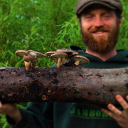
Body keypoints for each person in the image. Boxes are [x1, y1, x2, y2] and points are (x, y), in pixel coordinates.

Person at [0, 0, 128, 127]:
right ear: (80, 24)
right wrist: (14, 113)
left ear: (119, 21)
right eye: (89, 17)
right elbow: (41, 123)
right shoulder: (57, 71)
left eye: (106, 16)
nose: (98, 23)